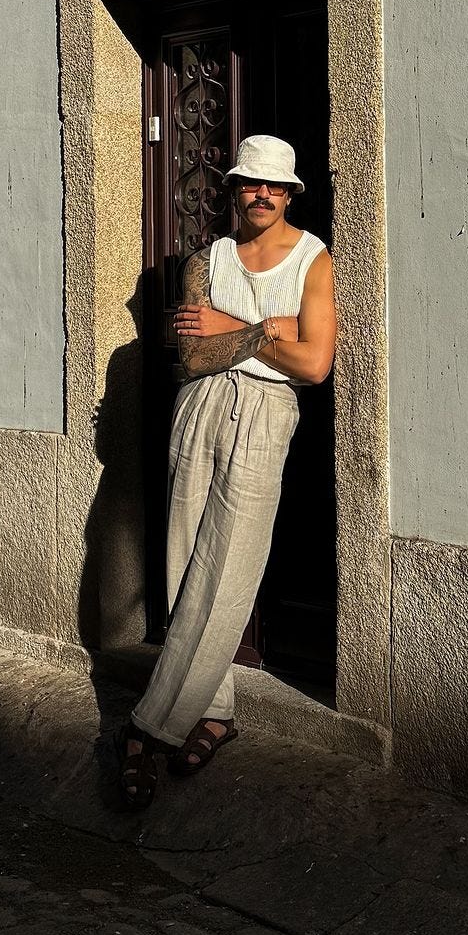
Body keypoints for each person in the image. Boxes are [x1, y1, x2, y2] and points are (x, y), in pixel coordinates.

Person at [117, 134, 337, 810]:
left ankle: (148, 725)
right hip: (199, 409)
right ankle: (214, 713)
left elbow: (314, 366)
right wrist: (271, 329)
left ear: (290, 193)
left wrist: (241, 332)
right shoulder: (205, 260)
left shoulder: (313, 260)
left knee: (230, 568)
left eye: (275, 186)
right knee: (187, 561)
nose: (263, 195)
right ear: (234, 189)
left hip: (266, 412)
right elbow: (186, 359)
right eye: (251, 184)